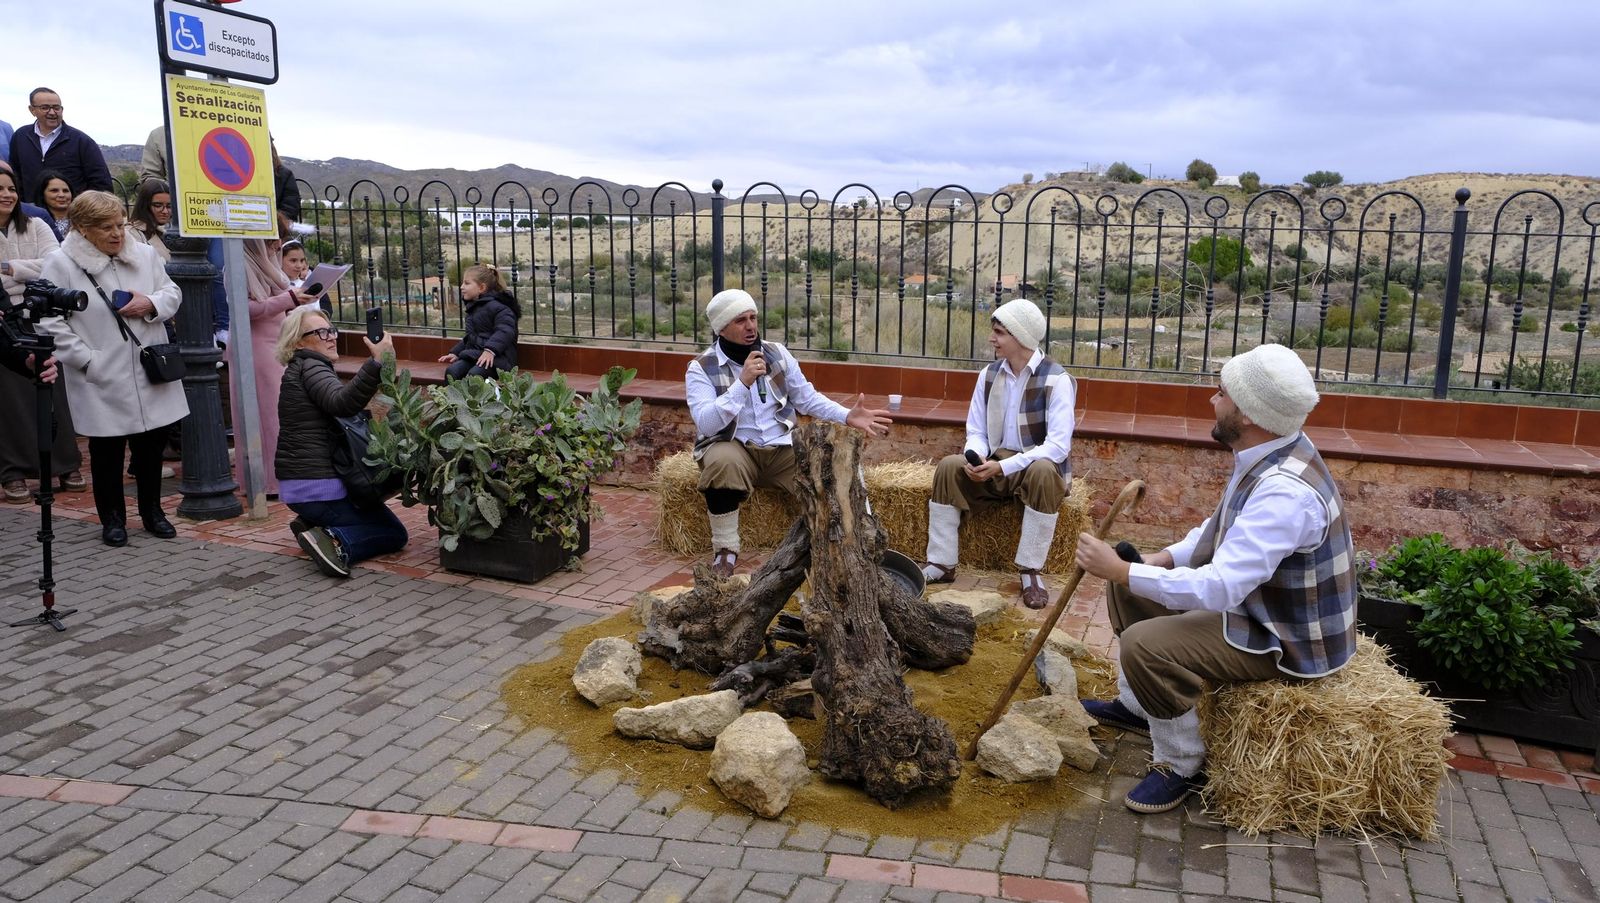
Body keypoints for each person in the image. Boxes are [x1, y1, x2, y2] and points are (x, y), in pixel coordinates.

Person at [1074, 343, 1355, 815]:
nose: (1212, 398)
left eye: (1221, 392)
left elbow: (1221, 587)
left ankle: (1182, 763)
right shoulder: (1268, 451)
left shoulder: (1285, 491)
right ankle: (1140, 707)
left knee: (1143, 643)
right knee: (1129, 579)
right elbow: (1220, 526)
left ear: (1247, 413)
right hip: (1260, 606)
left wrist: (1123, 569)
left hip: (1285, 638)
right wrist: (1156, 559)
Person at [685, 288, 892, 576]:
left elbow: (807, 398)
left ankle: (850, 546)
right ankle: (725, 551)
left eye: (753, 317)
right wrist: (742, 382)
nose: (751, 326)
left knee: (829, 467)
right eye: (741, 321)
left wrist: (847, 415)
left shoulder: (776, 353)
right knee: (721, 461)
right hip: (735, 446)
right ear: (722, 328)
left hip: (781, 445)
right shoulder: (700, 368)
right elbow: (706, 424)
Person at [38, 191, 188, 547]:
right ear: (81, 228)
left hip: (148, 367)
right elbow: (50, 321)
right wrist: (88, 359)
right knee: (106, 453)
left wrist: (150, 303)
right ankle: (113, 520)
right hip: (101, 374)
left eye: (119, 224)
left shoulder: (144, 253)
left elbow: (172, 291)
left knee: (150, 448)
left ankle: (153, 512)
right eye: (105, 227)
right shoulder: (60, 263)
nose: (116, 234)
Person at [921, 298, 1075, 609]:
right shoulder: (988, 375)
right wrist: (976, 458)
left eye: (999, 332)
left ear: (1021, 337)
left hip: (1034, 468)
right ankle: (942, 563)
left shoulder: (1057, 380)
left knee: (1045, 470)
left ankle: (1031, 572)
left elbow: (1058, 447)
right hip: (996, 463)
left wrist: (1003, 468)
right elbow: (976, 431)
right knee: (950, 467)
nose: (992, 338)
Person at [275, 305, 407, 578]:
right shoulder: (312, 367)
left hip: (304, 486)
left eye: (331, 330)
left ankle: (312, 522)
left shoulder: (301, 368)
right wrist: (377, 362)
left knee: (377, 516)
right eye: (321, 332)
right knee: (394, 533)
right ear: (299, 342)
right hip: (318, 488)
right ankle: (335, 541)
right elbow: (342, 403)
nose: (331, 336)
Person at [0, 166, 83, 501]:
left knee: (53, 391)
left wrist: (9, 268)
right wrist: (29, 271)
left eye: (11, 188)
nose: (6, 194)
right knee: (9, 399)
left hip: (42, 316)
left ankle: (65, 464)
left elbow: (56, 266)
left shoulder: (36, 224)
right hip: (5, 323)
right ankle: (13, 471)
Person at [228, 239, 318, 498]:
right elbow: (244, 308)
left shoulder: (266, 264)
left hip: (274, 342)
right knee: (266, 415)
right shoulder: (238, 266)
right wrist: (289, 298)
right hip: (253, 347)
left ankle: (281, 477)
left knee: (278, 413)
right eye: (270, 242)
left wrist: (295, 300)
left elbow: (277, 301)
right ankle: (266, 481)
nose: (276, 246)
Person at [7, 88, 113, 202]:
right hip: (31, 215)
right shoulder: (21, 137)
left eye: (56, 108)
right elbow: (15, 176)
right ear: (32, 110)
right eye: (45, 108)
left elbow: (101, 184)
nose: (52, 112)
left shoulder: (81, 141)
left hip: (71, 214)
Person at [438, 264, 519, 380]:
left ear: (482, 288)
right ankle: (453, 398)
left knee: (475, 376)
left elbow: (505, 331)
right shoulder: (474, 308)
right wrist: (455, 352)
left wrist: (490, 350)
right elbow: (472, 337)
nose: (461, 287)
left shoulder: (501, 308)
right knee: (452, 372)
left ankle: (480, 399)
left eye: (467, 283)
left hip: (499, 359)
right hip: (476, 355)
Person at [127, 180, 173, 262]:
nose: (165, 211)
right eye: (158, 205)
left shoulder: (168, 231)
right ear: (145, 205)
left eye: (169, 206)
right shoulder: (131, 233)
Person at [36, 171, 71, 241]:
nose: (61, 195)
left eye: (65, 191)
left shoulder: (83, 219)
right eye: (54, 191)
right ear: (42, 194)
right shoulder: (35, 221)